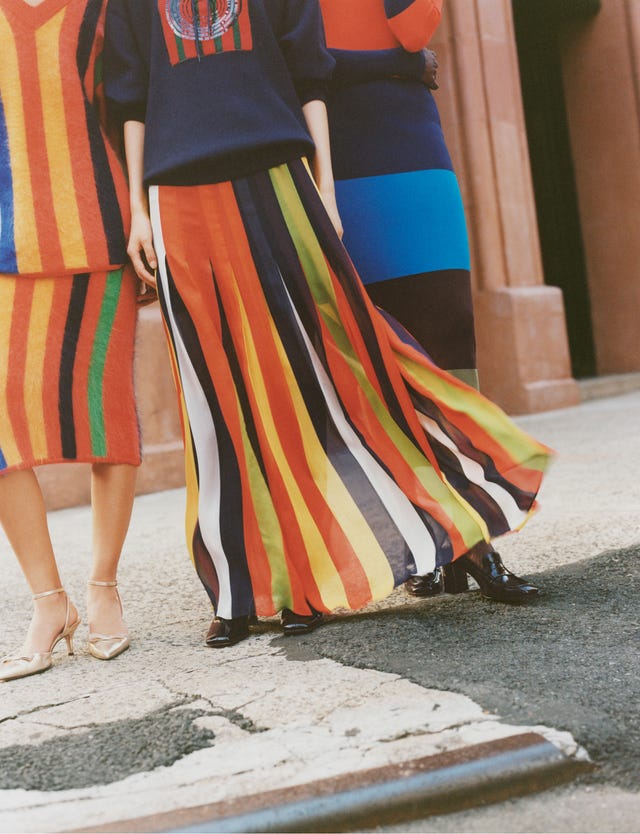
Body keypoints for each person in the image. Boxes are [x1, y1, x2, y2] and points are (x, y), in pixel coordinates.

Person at [104, 0, 551, 649]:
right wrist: (140, 212)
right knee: (216, 396)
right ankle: (240, 589)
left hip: (282, 171)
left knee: (338, 364)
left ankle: (444, 534)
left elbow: (316, 71)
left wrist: (325, 186)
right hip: (180, 193)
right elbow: (130, 95)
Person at [319, 0, 539, 602]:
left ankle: (472, 536)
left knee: (448, 334)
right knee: (378, 358)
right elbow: (294, 67)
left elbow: (413, 29)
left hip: (413, 151)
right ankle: (437, 538)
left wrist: (372, 67)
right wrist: (388, 67)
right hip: (337, 165)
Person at [0, 0, 142, 682]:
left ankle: (102, 588)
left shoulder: (106, 9)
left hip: (101, 233)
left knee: (106, 412)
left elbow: (137, 109)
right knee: (2, 432)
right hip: (5, 243)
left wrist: (146, 218)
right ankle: (49, 603)